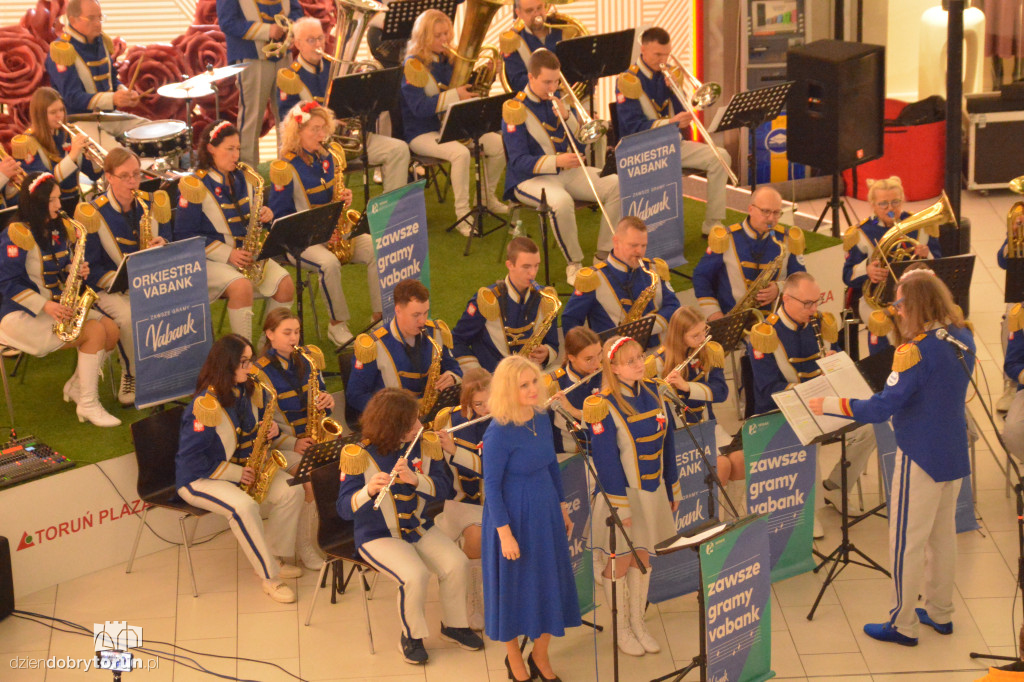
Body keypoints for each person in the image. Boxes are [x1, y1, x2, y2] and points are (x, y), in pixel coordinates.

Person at [809, 268, 974, 646]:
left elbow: (881, 408)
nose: (896, 311)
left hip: (919, 456)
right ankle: (941, 612)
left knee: (906, 543)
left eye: (900, 304)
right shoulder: (962, 335)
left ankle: (902, 624)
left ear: (915, 305)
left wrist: (831, 404)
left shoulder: (914, 352)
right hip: (952, 451)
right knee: (943, 539)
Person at [337, 387, 483, 665]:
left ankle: (454, 626)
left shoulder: (425, 445)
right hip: (377, 535)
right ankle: (411, 637)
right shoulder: (358, 455)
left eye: (417, 419)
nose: (419, 426)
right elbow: (343, 510)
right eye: (411, 423)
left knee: (456, 563)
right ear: (392, 428)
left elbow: (444, 489)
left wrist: (417, 481)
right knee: (414, 575)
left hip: (418, 526)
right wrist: (368, 491)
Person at [175, 334, 305, 604]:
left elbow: (248, 433)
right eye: (244, 362)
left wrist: (270, 430)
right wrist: (235, 474)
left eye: (250, 360)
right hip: (200, 479)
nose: (251, 368)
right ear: (227, 365)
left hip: (243, 469)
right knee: (243, 507)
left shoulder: (245, 391)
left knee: (293, 491)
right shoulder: (205, 406)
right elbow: (192, 460)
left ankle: (274, 557)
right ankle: (270, 577)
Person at [747, 272, 875, 535]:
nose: (814, 309)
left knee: (870, 426)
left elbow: (837, 362)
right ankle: (809, 510)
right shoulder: (765, 334)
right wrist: (810, 393)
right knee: (809, 433)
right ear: (786, 299)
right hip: (785, 411)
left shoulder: (821, 324)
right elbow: (768, 390)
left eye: (816, 302)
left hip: (823, 403)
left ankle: (836, 487)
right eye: (807, 303)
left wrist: (835, 366)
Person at [482, 355, 581, 682]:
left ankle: (540, 654)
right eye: (523, 385)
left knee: (550, 582)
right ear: (508, 390)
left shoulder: (540, 416)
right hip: (511, 517)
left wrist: (562, 507)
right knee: (512, 589)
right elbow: (491, 487)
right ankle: (514, 657)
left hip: (545, 511)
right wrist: (505, 535)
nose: (532, 389)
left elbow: (552, 464)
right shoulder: (498, 432)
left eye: (534, 381)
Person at [0, 172, 121, 427]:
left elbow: (57, 266)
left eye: (59, 198)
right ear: (37, 202)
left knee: (111, 329)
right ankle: (88, 403)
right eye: (52, 200)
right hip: (21, 314)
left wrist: (73, 270)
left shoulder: (56, 228)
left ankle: (78, 386)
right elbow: (7, 283)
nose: (59, 205)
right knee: (94, 332)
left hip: (56, 306)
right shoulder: (16, 234)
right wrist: (45, 305)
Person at [585, 336, 679, 657]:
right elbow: (606, 462)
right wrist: (620, 509)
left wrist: (673, 485)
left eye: (640, 356)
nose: (640, 364)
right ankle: (621, 628)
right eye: (630, 361)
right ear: (613, 368)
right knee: (621, 562)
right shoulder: (601, 405)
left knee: (644, 558)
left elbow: (669, 442)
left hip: (652, 492)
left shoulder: (655, 392)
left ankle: (638, 623)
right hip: (621, 497)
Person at [503, 48, 621, 285]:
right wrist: (556, 161)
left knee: (617, 184)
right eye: (547, 82)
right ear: (531, 77)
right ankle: (574, 264)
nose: (553, 87)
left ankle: (604, 254)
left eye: (556, 81)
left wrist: (568, 117)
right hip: (528, 179)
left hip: (567, 172)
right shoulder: (515, 109)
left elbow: (581, 142)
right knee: (561, 201)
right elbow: (517, 161)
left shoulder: (558, 101)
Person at [268, 101, 381, 346]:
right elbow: (278, 220)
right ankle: (336, 325)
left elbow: (332, 196)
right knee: (329, 264)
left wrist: (343, 198)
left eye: (323, 128)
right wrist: (317, 232)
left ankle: (379, 317)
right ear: (298, 131)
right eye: (315, 129)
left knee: (376, 247)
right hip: (299, 241)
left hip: (332, 232)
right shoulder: (285, 167)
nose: (322, 135)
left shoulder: (326, 157)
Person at [174, 120, 295, 342]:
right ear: (211, 149)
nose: (236, 155)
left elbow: (251, 218)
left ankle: (268, 348)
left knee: (285, 284)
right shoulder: (195, 185)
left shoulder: (244, 178)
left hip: (245, 256)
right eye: (229, 149)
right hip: (209, 261)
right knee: (242, 287)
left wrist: (265, 215)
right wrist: (227, 254)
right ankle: (243, 353)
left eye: (238, 148)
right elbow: (184, 236)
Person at [399, 9, 507, 236]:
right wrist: (454, 95)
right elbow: (419, 108)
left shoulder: (449, 58)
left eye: (447, 33)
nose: (445, 39)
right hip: (421, 132)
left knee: (498, 145)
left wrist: (488, 74)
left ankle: (486, 199)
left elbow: (468, 91)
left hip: (452, 126)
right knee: (461, 154)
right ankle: (463, 215)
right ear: (424, 37)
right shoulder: (413, 65)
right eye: (438, 35)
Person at [615, 27, 732, 237]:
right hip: (643, 151)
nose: (663, 60)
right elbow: (632, 128)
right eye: (658, 55)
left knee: (720, 157)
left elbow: (683, 115)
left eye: (667, 54)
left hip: (671, 145)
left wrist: (675, 91)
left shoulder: (669, 73)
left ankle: (712, 223)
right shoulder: (628, 80)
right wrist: (670, 122)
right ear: (643, 50)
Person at [277, 17, 411, 194]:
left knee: (399, 150)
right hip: (315, 147)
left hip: (347, 140)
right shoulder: (290, 77)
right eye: (311, 40)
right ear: (298, 44)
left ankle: (393, 208)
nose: (318, 44)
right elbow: (289, 124)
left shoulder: (337, 67)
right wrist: (327, 122)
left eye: (320, 38)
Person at [79, 147, 170, 405]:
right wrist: (123, 281)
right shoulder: (93, 213)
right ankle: (130, 374)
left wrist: (163, 242)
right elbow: (90, 269)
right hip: (108, 289)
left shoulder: (151, 203)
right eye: (125, 176)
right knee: (130, 318)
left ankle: (169, 368)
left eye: (136, 174)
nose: (133, 182)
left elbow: (171, 237)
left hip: (149, 283)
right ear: (109, 177)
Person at [252, 308, 335, 570]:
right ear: (270, 334)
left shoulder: (308, 360)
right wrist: (292, 443)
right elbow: (262, 424)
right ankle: (304, 547)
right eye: (287, 332)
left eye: (297, 332)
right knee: (309, 481)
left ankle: (330, 537)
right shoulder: (259, 373)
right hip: (278, 448)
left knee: (343, 469)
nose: (293, 338)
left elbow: (321, 396)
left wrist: (327, 402)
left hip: (311, 439)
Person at [842, 176, 941, 355]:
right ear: (873, 205)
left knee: (937, 321)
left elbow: (940, 266)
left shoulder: (920, 225)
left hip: (917, 294)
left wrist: (927, 255)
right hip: (878, 300)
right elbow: (847, 275)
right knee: (882, 322)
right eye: (883, 204)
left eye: (895, 202)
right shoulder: (861, 232)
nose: (890, 209)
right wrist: (867, 270)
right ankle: (885, 364)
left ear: (902, 200)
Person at [561, 216, 680, 348]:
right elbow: (570, 320)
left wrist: (647, 326)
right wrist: (584, 351)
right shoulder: (592, 278)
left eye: (643, 245)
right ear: (616, 242)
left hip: (657, 350)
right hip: (613, 355)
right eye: (633, 245)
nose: (639, 251)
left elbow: (673, 306)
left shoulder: (654, 268)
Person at [433, 368, 493, 631]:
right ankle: (475, 599)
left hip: (495, 499)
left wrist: (456, 451)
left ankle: (501, 595)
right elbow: (440, 469)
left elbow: (496, 469)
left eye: (490, 401)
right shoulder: (448, 420)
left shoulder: (505, 417)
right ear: (466, 401)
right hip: (461, 501)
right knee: (476, 535)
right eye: (478, 404)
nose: (486, 409)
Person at [347, 278, 461, 415]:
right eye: (416, 315)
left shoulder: (436, 332)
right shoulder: (373, 346)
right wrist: (389, 410)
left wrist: (452, 377)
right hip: (394, 419)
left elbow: (455, 368)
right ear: (398, 310)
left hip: (433, 414)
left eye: (425, 312)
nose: (423, 321)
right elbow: (355, 395)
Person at [692, 186, 806, 321]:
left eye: (776, 213)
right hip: (731, 320)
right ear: (750, 209)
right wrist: (714, 314)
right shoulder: (725, 238)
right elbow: (701, 277)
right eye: (765, 211)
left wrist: (779, 288)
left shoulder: (788, 239)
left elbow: (801, 279)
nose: (771, 218)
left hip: (774, 322)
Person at [654, 307, 738, 487]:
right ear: (679, 336)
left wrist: (687, 387)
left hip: (708, 425)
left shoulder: (710, 352)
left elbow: (721, 392)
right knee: (722, 466)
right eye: (695, 335)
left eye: (704, 331)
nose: (702, 339)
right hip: (679, 435)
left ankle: (718, 501)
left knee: (741, 461)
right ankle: (712, 504)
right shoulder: (658, 363)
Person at [217, 0, 306, 165]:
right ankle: (248, 175)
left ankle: (290, 169)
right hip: (251, 56)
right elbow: (227, 22)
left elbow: (296, 10)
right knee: (251, 120)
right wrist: (267, 30)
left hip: (283, 55)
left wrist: (290, 28)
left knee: (288, 116)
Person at [452, 236, 559, 373]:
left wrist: (547, 353)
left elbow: (553, 344)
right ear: (510, 265)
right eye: (526, 267)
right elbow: (457, 341)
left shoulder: (546, 299)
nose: (533, 273)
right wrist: (478, 373)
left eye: (536, 265)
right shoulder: (487, 301)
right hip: (493, 379)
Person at [45, 0, 140, 116]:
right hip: (78, 119)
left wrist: (125, 92)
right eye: (91, 18)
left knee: (146, 125)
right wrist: (112, 99)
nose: (97, 23)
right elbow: (72, 97)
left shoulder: (102, 42)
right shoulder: (62, 51)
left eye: (99, 17)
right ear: (73, 20)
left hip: (108, 116)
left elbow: (111, 80)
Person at [11, 88, 92, 205]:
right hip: (47, 206)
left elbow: (93, 175)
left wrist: (91, 157)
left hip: (75, 200)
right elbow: (43, 184)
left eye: (61, 110)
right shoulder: (27, 143)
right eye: (53, 112)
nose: (60, 116)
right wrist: (73, 155)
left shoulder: (68, 134)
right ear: (40, 115)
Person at [546, 326, 603, 456]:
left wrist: (573, 411)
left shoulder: (606, 372)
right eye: (588, 359)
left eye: (599, 354)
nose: (597, 364)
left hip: (604, 445)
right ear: (571, 357)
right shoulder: (554, 384)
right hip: (572, 453)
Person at [500, 0, 568, 94]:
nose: (537, 14)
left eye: (539, 8)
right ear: (519, 13)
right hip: (536, 102)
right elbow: (517, 82)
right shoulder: (513, 41)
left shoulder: (565, 29)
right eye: (529, 11)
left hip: (573, 99)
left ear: (545, 6)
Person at [999, 206, 1024, 412]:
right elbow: (1002, 260)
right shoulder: (1019, 215)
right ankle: (1012, 381)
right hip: (1021, 294)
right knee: (1011, 317)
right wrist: (1013, 236)